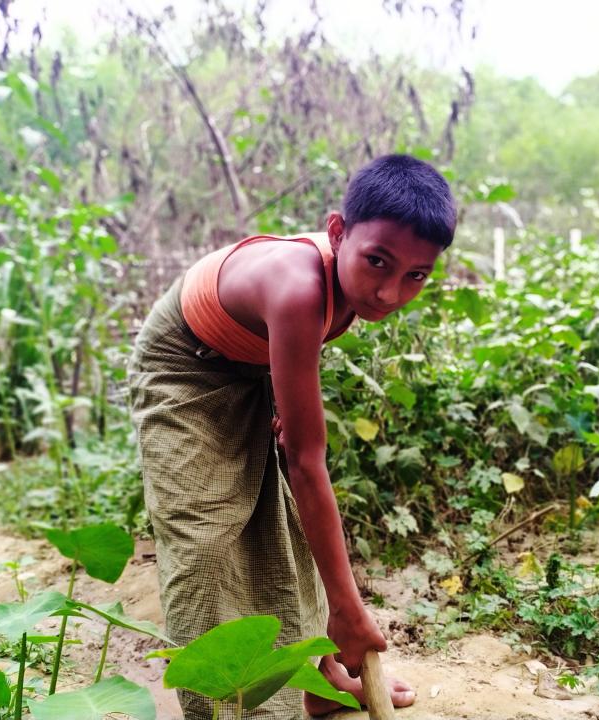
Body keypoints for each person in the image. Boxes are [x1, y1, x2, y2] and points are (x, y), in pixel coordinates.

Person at [127, 154, 457, 719]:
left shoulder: (352, 288)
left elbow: (301, 452)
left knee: (283, 518)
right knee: (205, 541)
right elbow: (310, 460)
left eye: (415, 276)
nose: (388, 292)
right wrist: (350, 609)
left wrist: (285, 410)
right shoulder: (299, 286)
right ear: (337, 232)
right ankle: (224, 708)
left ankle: (321, 679)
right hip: (183, 362)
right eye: (377, 262)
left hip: (247, 362)